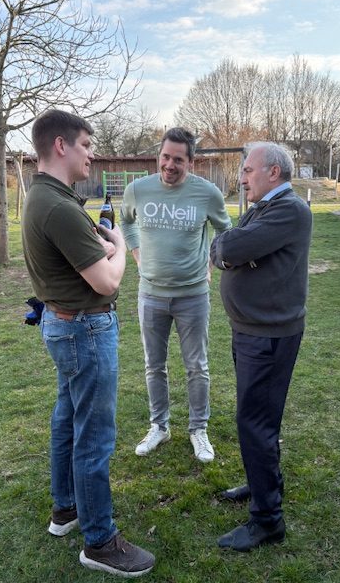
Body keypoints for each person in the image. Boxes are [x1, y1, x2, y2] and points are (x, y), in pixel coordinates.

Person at [21, 109, 155, 578]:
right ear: (61, 145)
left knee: (67, 419)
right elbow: (106, 282)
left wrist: (104, 250)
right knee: (93, 436)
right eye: (86, 145)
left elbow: (85, 263)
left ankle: (66, 509)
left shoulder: (43, 196)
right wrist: (119, 248)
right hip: (85, 330)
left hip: (64, 325)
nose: (91, 154)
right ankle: (99, 541)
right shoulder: (59, 206)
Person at [210, 141, 312, 551]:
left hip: (268, 336)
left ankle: (268, 520)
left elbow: (229, 247)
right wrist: (234, 251)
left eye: (248, 170)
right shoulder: (264, 208)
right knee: (258, 418)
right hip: (251, 331)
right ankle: (262, 484)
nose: (241, 178)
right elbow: (226, 245)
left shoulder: (290, 209)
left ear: (273, 172)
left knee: (255, 422)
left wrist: (235, 252)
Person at [120, 127, 232, 462]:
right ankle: (159, 426)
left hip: (193, 295)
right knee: (153, 365)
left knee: (197, 366)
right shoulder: (138, 190)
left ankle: (198, 429)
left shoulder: (207, 193)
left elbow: (225, 232)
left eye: (178, 160)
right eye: (165, 157)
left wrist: (211, 263)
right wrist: (136, 253)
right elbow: (126, 222)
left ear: (190, 162)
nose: (170, 165)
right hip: (150, 295)